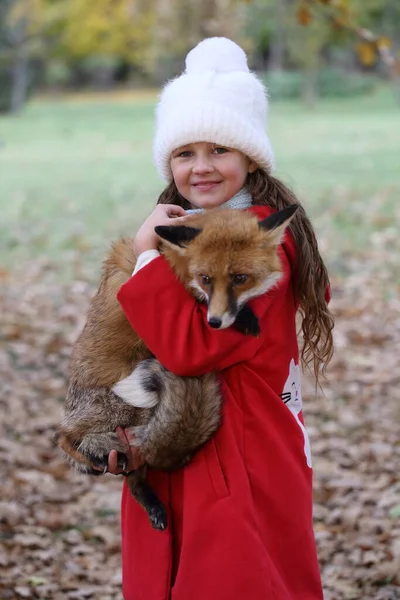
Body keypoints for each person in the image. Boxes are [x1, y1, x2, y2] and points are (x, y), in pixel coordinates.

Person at [107, 37, 334, 600]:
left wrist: (143, 258)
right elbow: (139, 347)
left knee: (240, 578)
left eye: (219, 150)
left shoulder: (256, 243)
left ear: (250, 155)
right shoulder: (191, 233)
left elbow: (194, 348)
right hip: (180, 446)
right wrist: (124, 421)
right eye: (185, 153)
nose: (201, 167)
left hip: (241, 456)